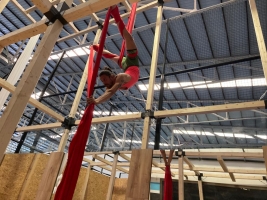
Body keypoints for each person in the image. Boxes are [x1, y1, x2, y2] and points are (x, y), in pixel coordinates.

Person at [87, 5, 139, 105]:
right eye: (103, 80)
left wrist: (96, 100)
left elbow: (110, 92)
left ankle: (115, 14)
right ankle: (98, 48)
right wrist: (96, 101)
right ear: (112, 76)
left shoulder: (120, 77)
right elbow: (109, 91)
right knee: (113, 54)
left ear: (111, 77)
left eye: (104, 80)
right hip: (131, 65)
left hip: (128, 64)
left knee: (127, 38)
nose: (104, 83)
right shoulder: (115, 80)